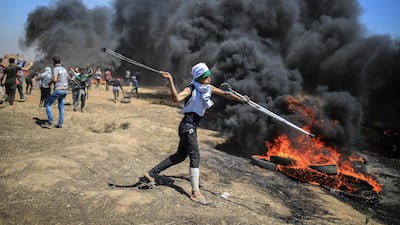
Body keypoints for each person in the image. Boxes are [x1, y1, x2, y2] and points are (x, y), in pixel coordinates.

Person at [143, 62, 247, 205]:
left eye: (209, 76)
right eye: (206, 77)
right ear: (199, 78)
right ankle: (195, 193)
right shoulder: (190, 89)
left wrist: (241, 99)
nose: (209, 79)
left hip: (190, 127)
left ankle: (151, 173)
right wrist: (170, 80)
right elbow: (176, 99)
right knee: (195, 156)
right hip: (187, 127)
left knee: (180, 156)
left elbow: (226, 94)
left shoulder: (207, 88)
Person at [41, 56, 70, 129]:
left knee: (47, 104)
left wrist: (49, 83)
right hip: (65, 90)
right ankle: (60, 124)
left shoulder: (56, 69)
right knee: (61, 107)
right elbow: (68, 78)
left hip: (58, 89)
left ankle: (50, 122)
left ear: (54, 62)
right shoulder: (64, 69)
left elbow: (54, 79)